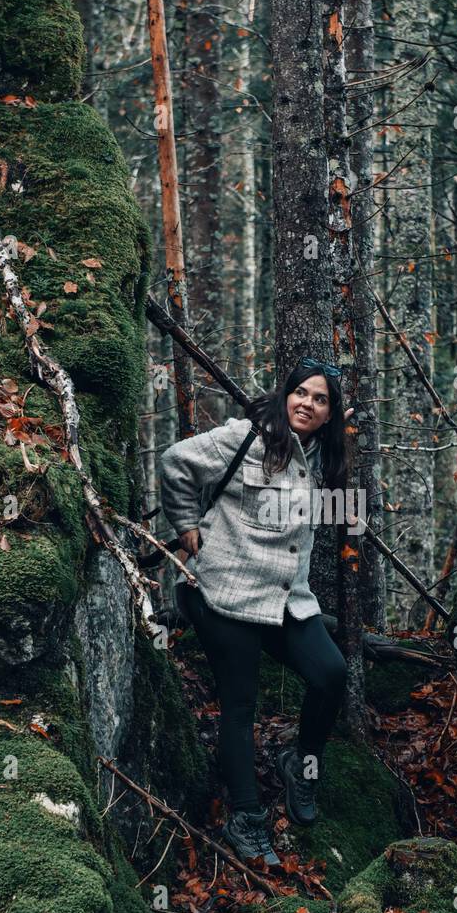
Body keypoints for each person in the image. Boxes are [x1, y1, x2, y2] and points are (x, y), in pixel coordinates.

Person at [159, 360, 351, 865]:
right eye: (301, 393)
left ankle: (299, 765)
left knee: (331, 674)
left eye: (320, 399)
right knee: (240, 704)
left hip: (287, 598)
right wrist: (184, 524)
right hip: (225, 591)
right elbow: (175, 461)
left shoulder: (321, 461)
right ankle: (245, 817)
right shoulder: (245, 438)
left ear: (331, 413)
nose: (307, 403)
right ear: (285, 396)